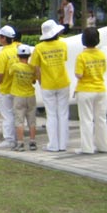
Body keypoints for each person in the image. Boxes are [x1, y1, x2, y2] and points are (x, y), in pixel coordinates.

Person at [31, 19, 70, 152]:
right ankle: (63, 144)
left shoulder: (38, 48)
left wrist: (40, 81)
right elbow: (64, 59)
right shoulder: (63, 45)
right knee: (63, 114)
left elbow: (36, 68)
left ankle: (53, 144)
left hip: (47, 84)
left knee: (51, 115)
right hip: (63, 82)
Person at [74, 27, 107, 154]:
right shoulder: (102, 54)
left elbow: (79, 74)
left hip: (85, 90)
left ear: (83, 40)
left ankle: (87, 148)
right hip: (100, 89)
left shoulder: (81, 56)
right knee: (101, 119)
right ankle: (104, 146)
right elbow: (103, 70)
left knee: (86, 120)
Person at [0, 25, 19, 149]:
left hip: (6, 88)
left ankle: (9, 139)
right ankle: (17, 137)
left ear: (4, 38)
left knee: (7, 115)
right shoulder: (18, 50)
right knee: (15, 114)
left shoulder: (2, 54)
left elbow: (0, 73)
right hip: (18, 88)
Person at [8, 44, 38, 152]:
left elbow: (10, 73)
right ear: (29, 55)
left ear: (18, 55)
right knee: (32, 120)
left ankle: (20, 143)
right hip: (30, 95)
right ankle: (32, 142)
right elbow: (34, 81)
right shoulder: (32, 68)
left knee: (19, 120)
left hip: (18, 96)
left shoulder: (15, 66)